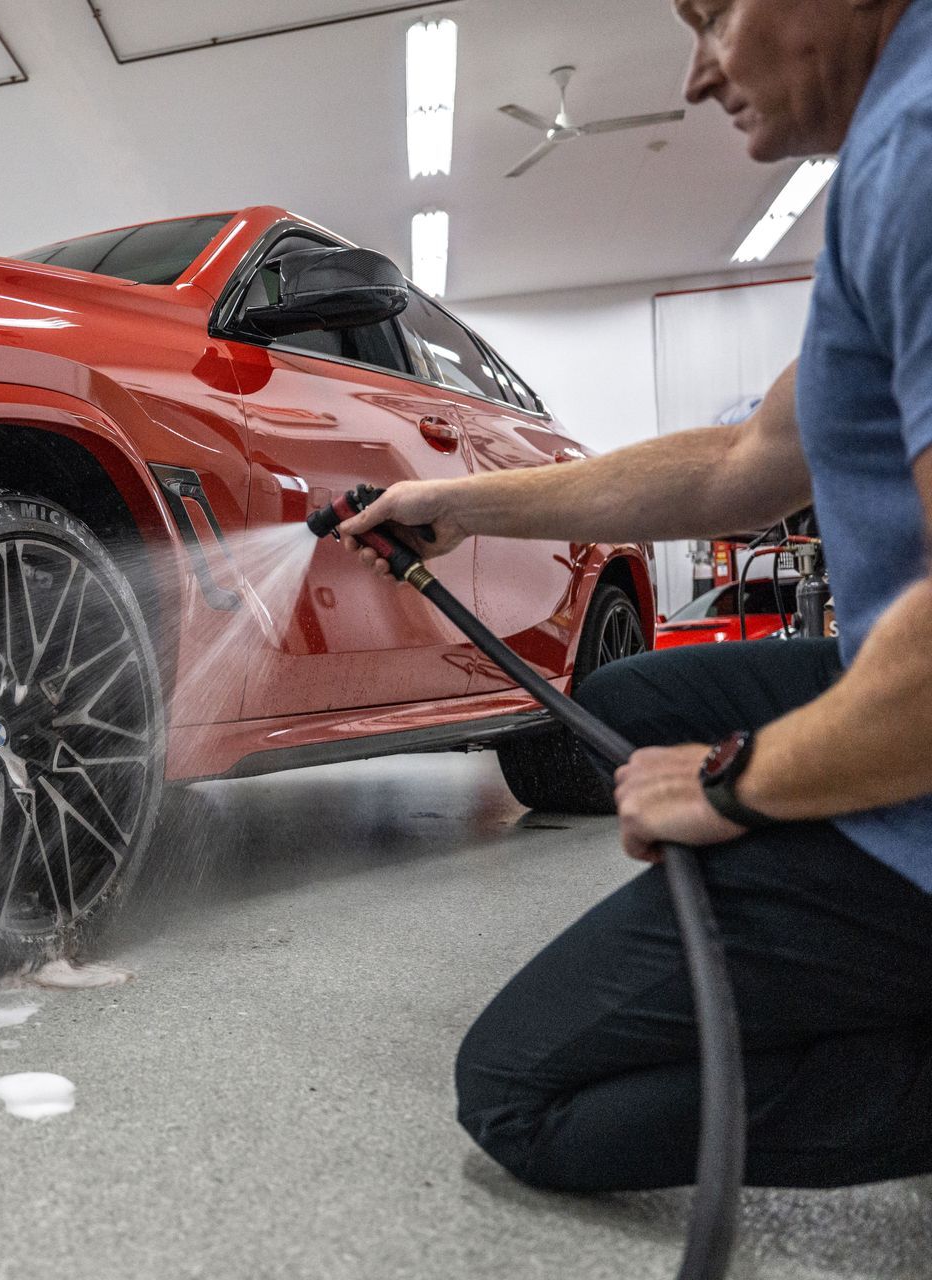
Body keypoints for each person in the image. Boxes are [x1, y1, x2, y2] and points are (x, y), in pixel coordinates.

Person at [340, 0, 932, 1191]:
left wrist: (739, 784)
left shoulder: (917, 152)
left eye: (716, 14)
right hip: (890, 674)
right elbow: (736, 466)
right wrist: (461, 507)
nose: (699, 73)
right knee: (626, 697)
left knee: (522, 1092)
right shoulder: (887, 158)